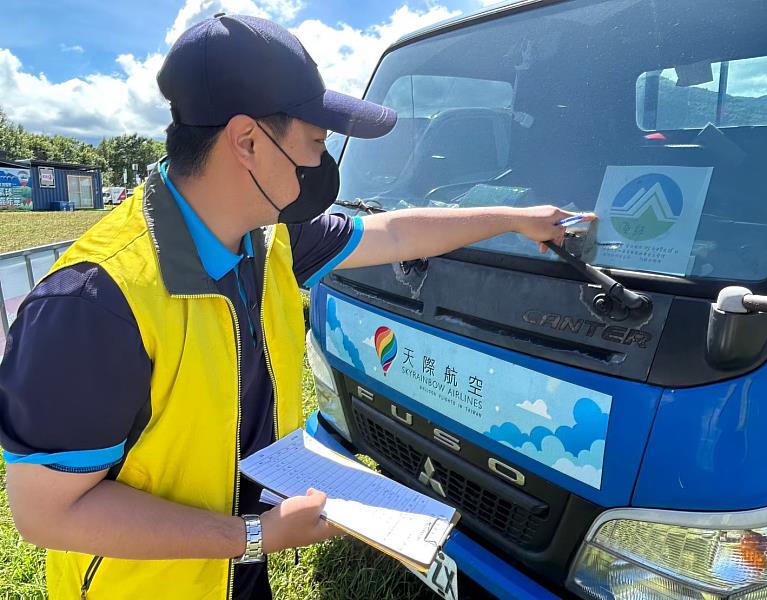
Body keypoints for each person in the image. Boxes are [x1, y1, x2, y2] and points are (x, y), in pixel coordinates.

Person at [0, 14, 589, 600]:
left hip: (234, 569)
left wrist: (515, 219)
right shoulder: (91, 305)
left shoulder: (268, 237)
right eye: (314, 143)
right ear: (248, 141)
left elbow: (394, 236)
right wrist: (252, 535)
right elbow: (48, 513)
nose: (320, 165)